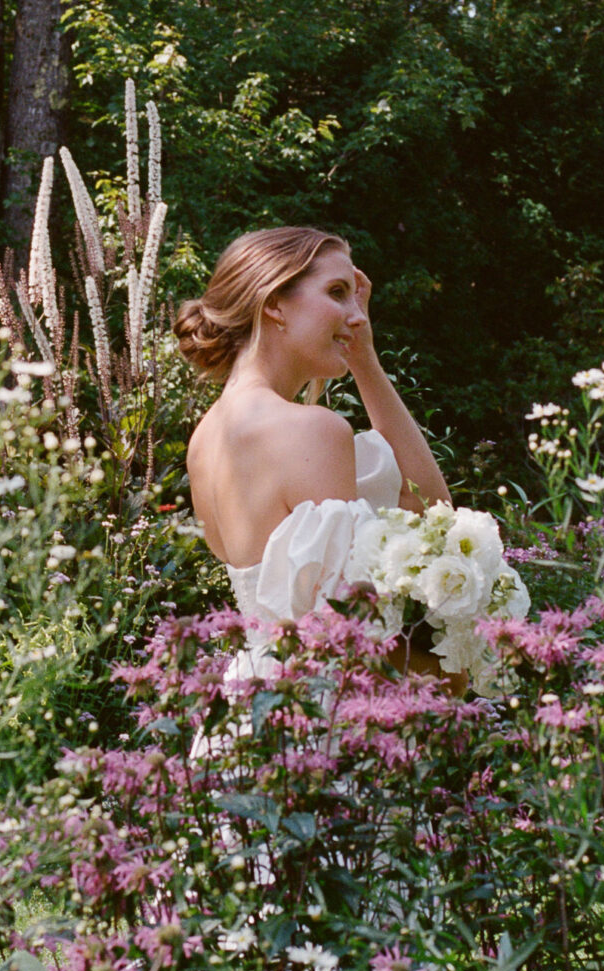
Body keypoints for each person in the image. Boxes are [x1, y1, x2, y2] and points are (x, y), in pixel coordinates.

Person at [177, 227, 451, 679]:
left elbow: (430, 511)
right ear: (275, 304)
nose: (357, 314)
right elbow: (429, 515)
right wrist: (444, 677)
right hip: (318, 717)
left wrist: (362, 354)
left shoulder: (205, 439)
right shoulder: (312, 428)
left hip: (252, 706)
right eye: (337, 292)